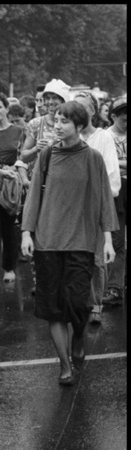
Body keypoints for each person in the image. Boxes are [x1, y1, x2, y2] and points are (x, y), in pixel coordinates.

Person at [21, 101, 117, 385]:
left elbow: (103, 200)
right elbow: (34, 197)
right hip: (47, 242)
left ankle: (79, 337)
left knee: (78, 304)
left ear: (78, 125)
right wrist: (27, 233)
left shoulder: (93, 158)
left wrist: (108, 239)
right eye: (56, 121)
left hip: (82, 242)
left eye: (65, 121)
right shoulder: (47, 156)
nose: (58, 126)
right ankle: (64, 365)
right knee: (53, 307)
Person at [73, 90, 122, 324]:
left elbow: (112, 176)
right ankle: (78, 300)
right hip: (71, 207)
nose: (78, 112)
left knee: (96, 257)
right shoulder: (67, 136)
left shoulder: (102, 138)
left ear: (92, 111)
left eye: (83, 107)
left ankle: (95, 304)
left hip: (95, 205)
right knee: (73, 255)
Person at [0, 93, 27, 284]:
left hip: (11, 183)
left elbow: (23, 156)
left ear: (6, 109)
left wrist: (17, 172)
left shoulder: (18, 131)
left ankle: (9, 267)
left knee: (9, 226)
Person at [104, 97, 127, 307]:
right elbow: (103, 162)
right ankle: (115, 288)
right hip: (117, 190)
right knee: (117, 239)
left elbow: (110, 162)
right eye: (123, 117)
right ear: (113, 116)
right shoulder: (105, 136)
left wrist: (116, 162)